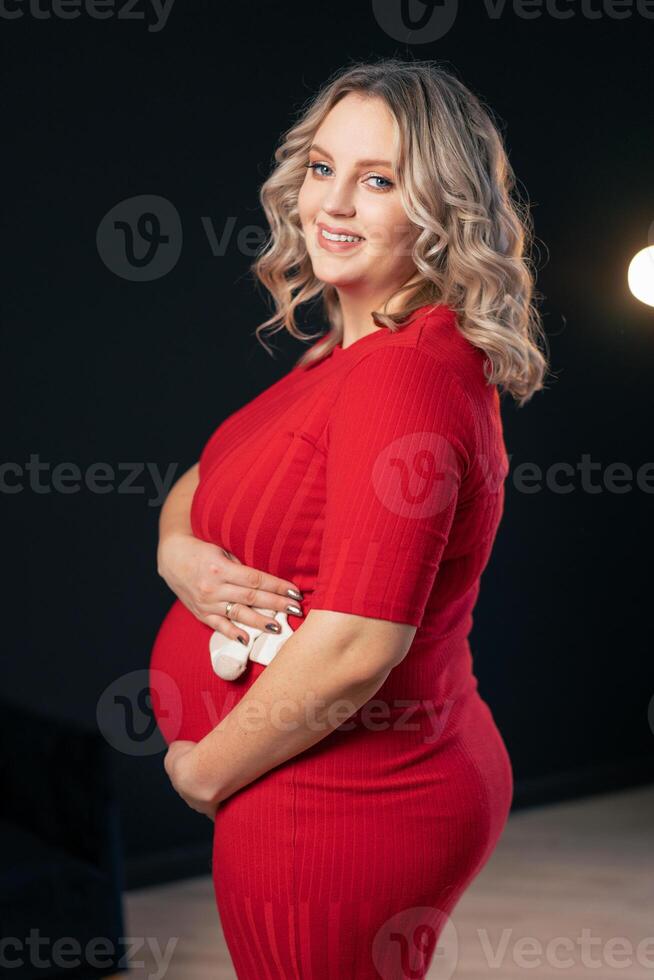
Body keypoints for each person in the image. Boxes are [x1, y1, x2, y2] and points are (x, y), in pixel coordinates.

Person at [149, 57, 549, 980]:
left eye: (378, 181)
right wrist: (181, 554)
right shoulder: (350, 344)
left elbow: (362, 642)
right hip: (330, 784)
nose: (332, 203)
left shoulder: (404, 377)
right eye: (324, 168)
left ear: (444, 210)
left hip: (346, 801)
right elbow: (205, 478)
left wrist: (205, 772)